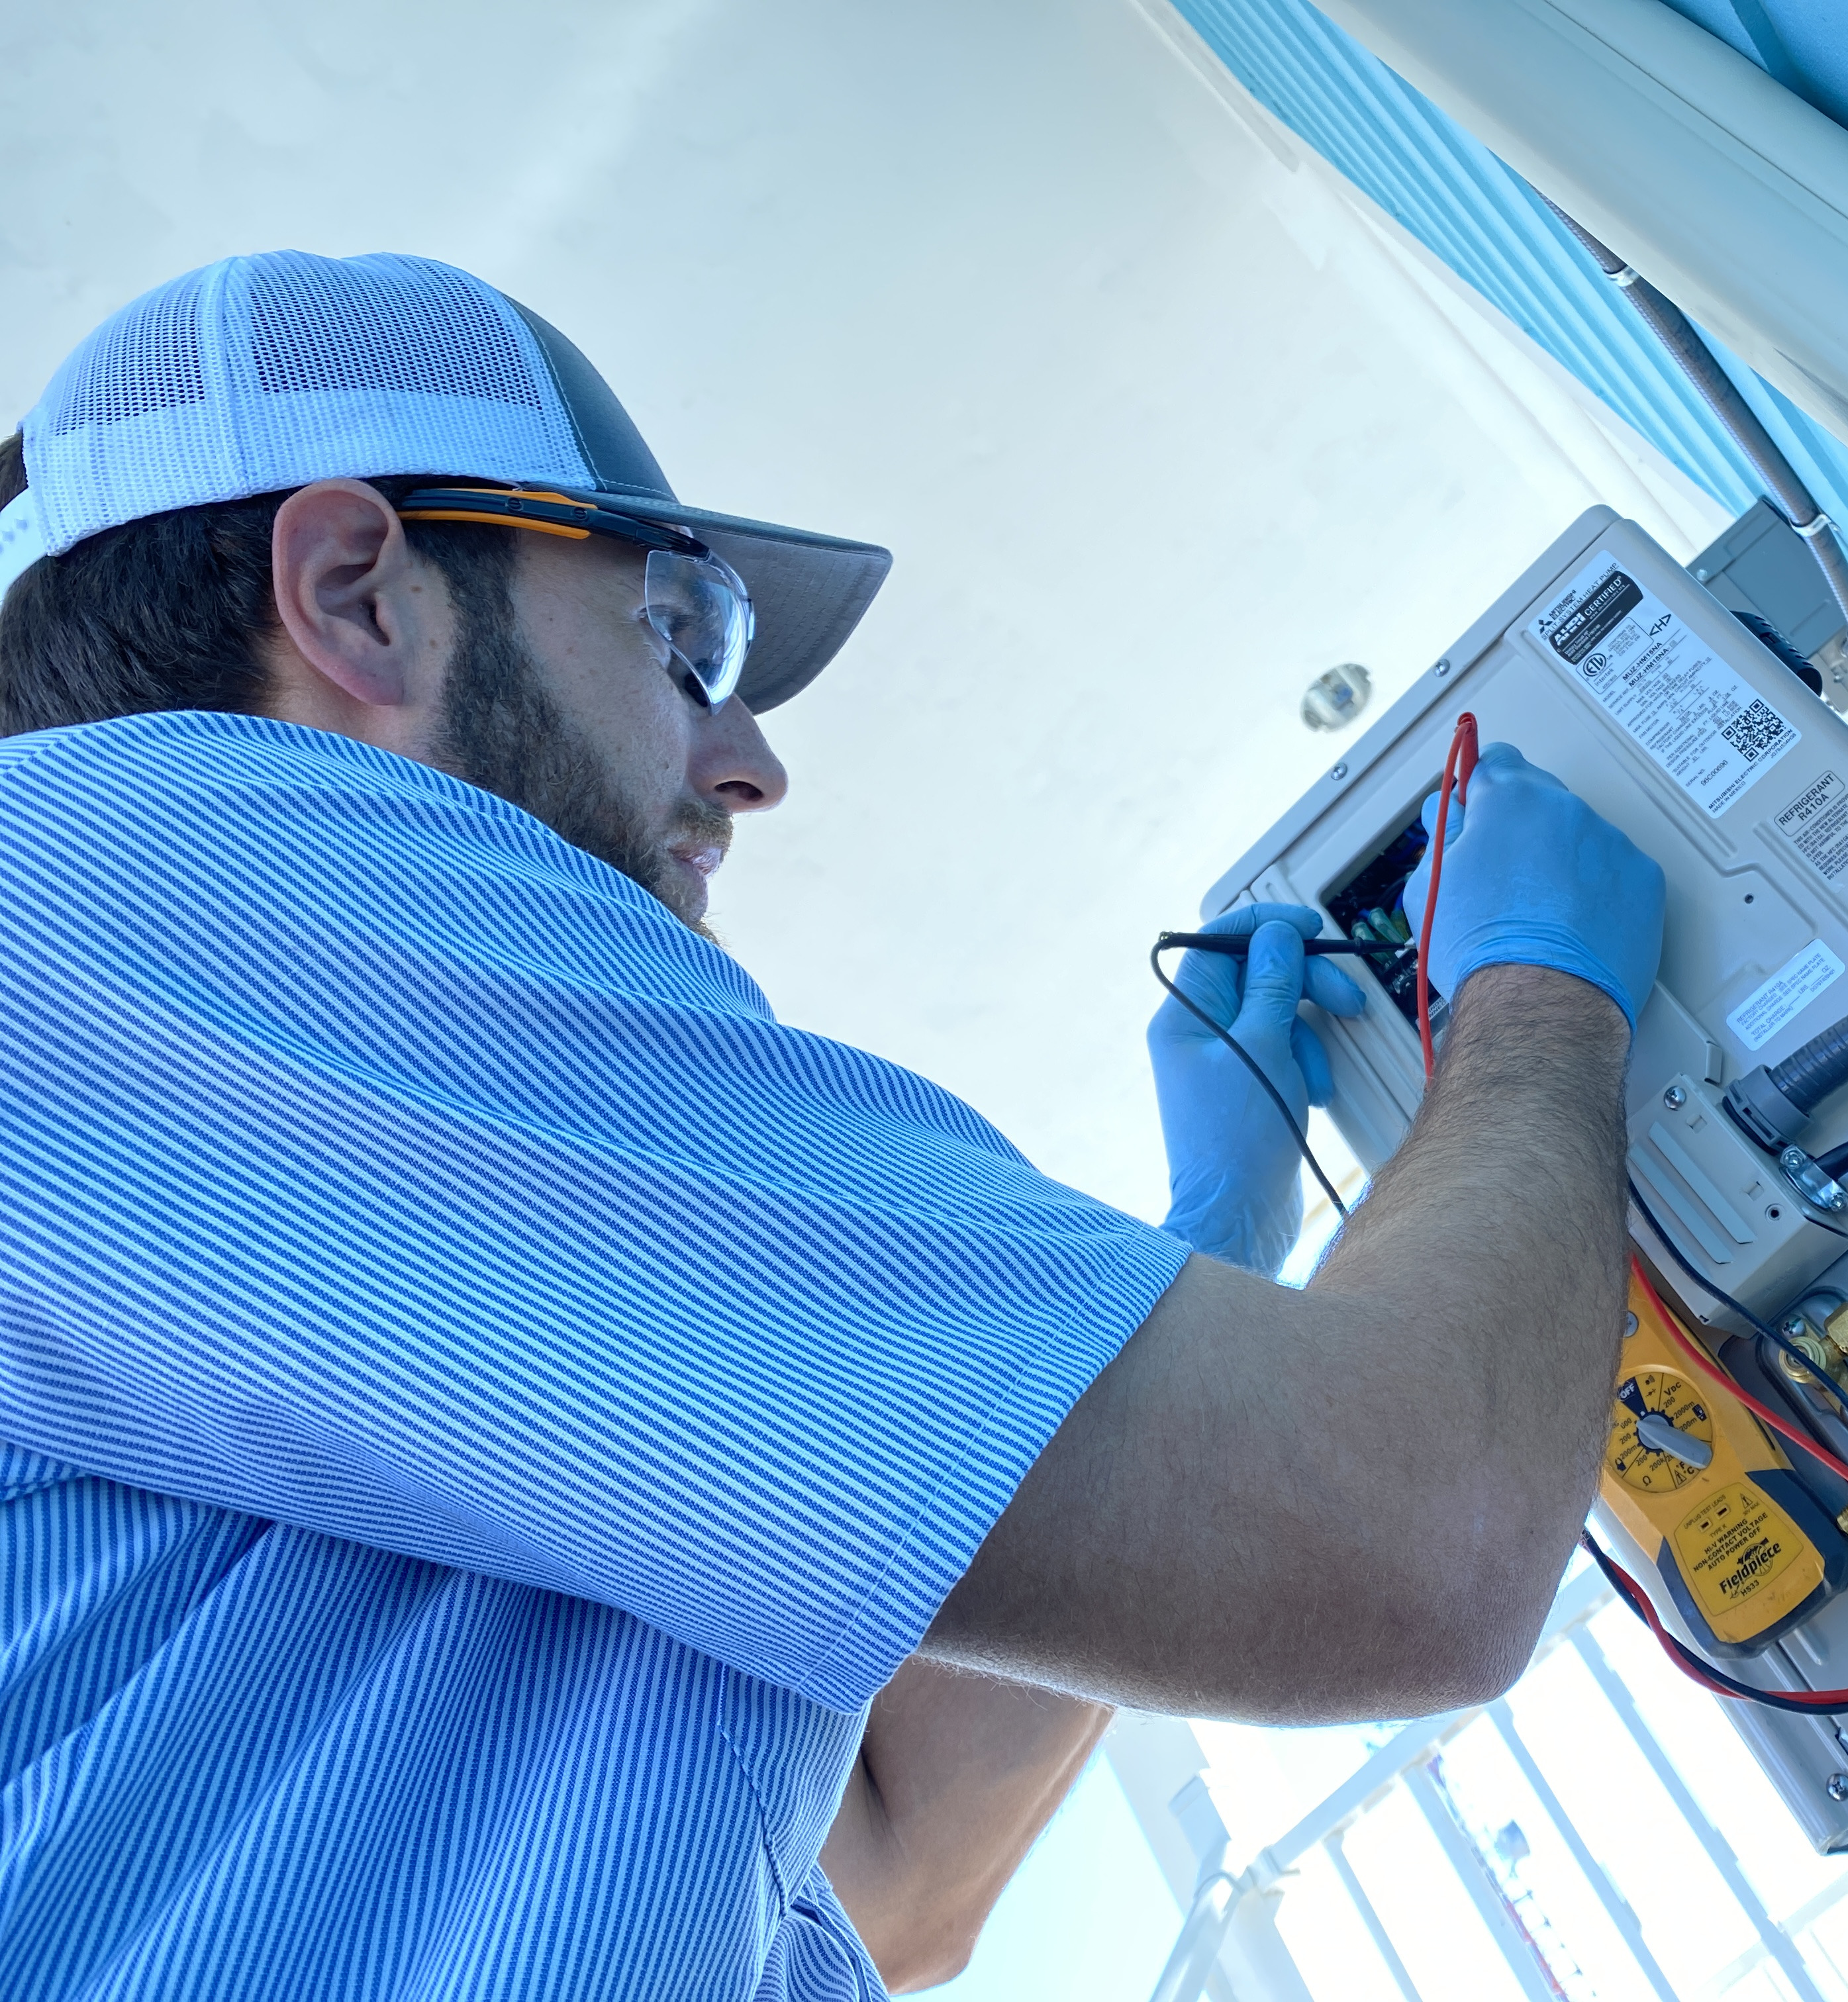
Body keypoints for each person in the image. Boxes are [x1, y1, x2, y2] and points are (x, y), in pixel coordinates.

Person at [0, 252, 1665, 2000]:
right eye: (681, 637)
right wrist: (1541, 1010)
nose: (748, 763)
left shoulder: (287, 1186)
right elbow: (1414, 1532)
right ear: (357, 597)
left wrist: (1211, 1234)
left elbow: (901, 1873)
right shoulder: (145, 866)